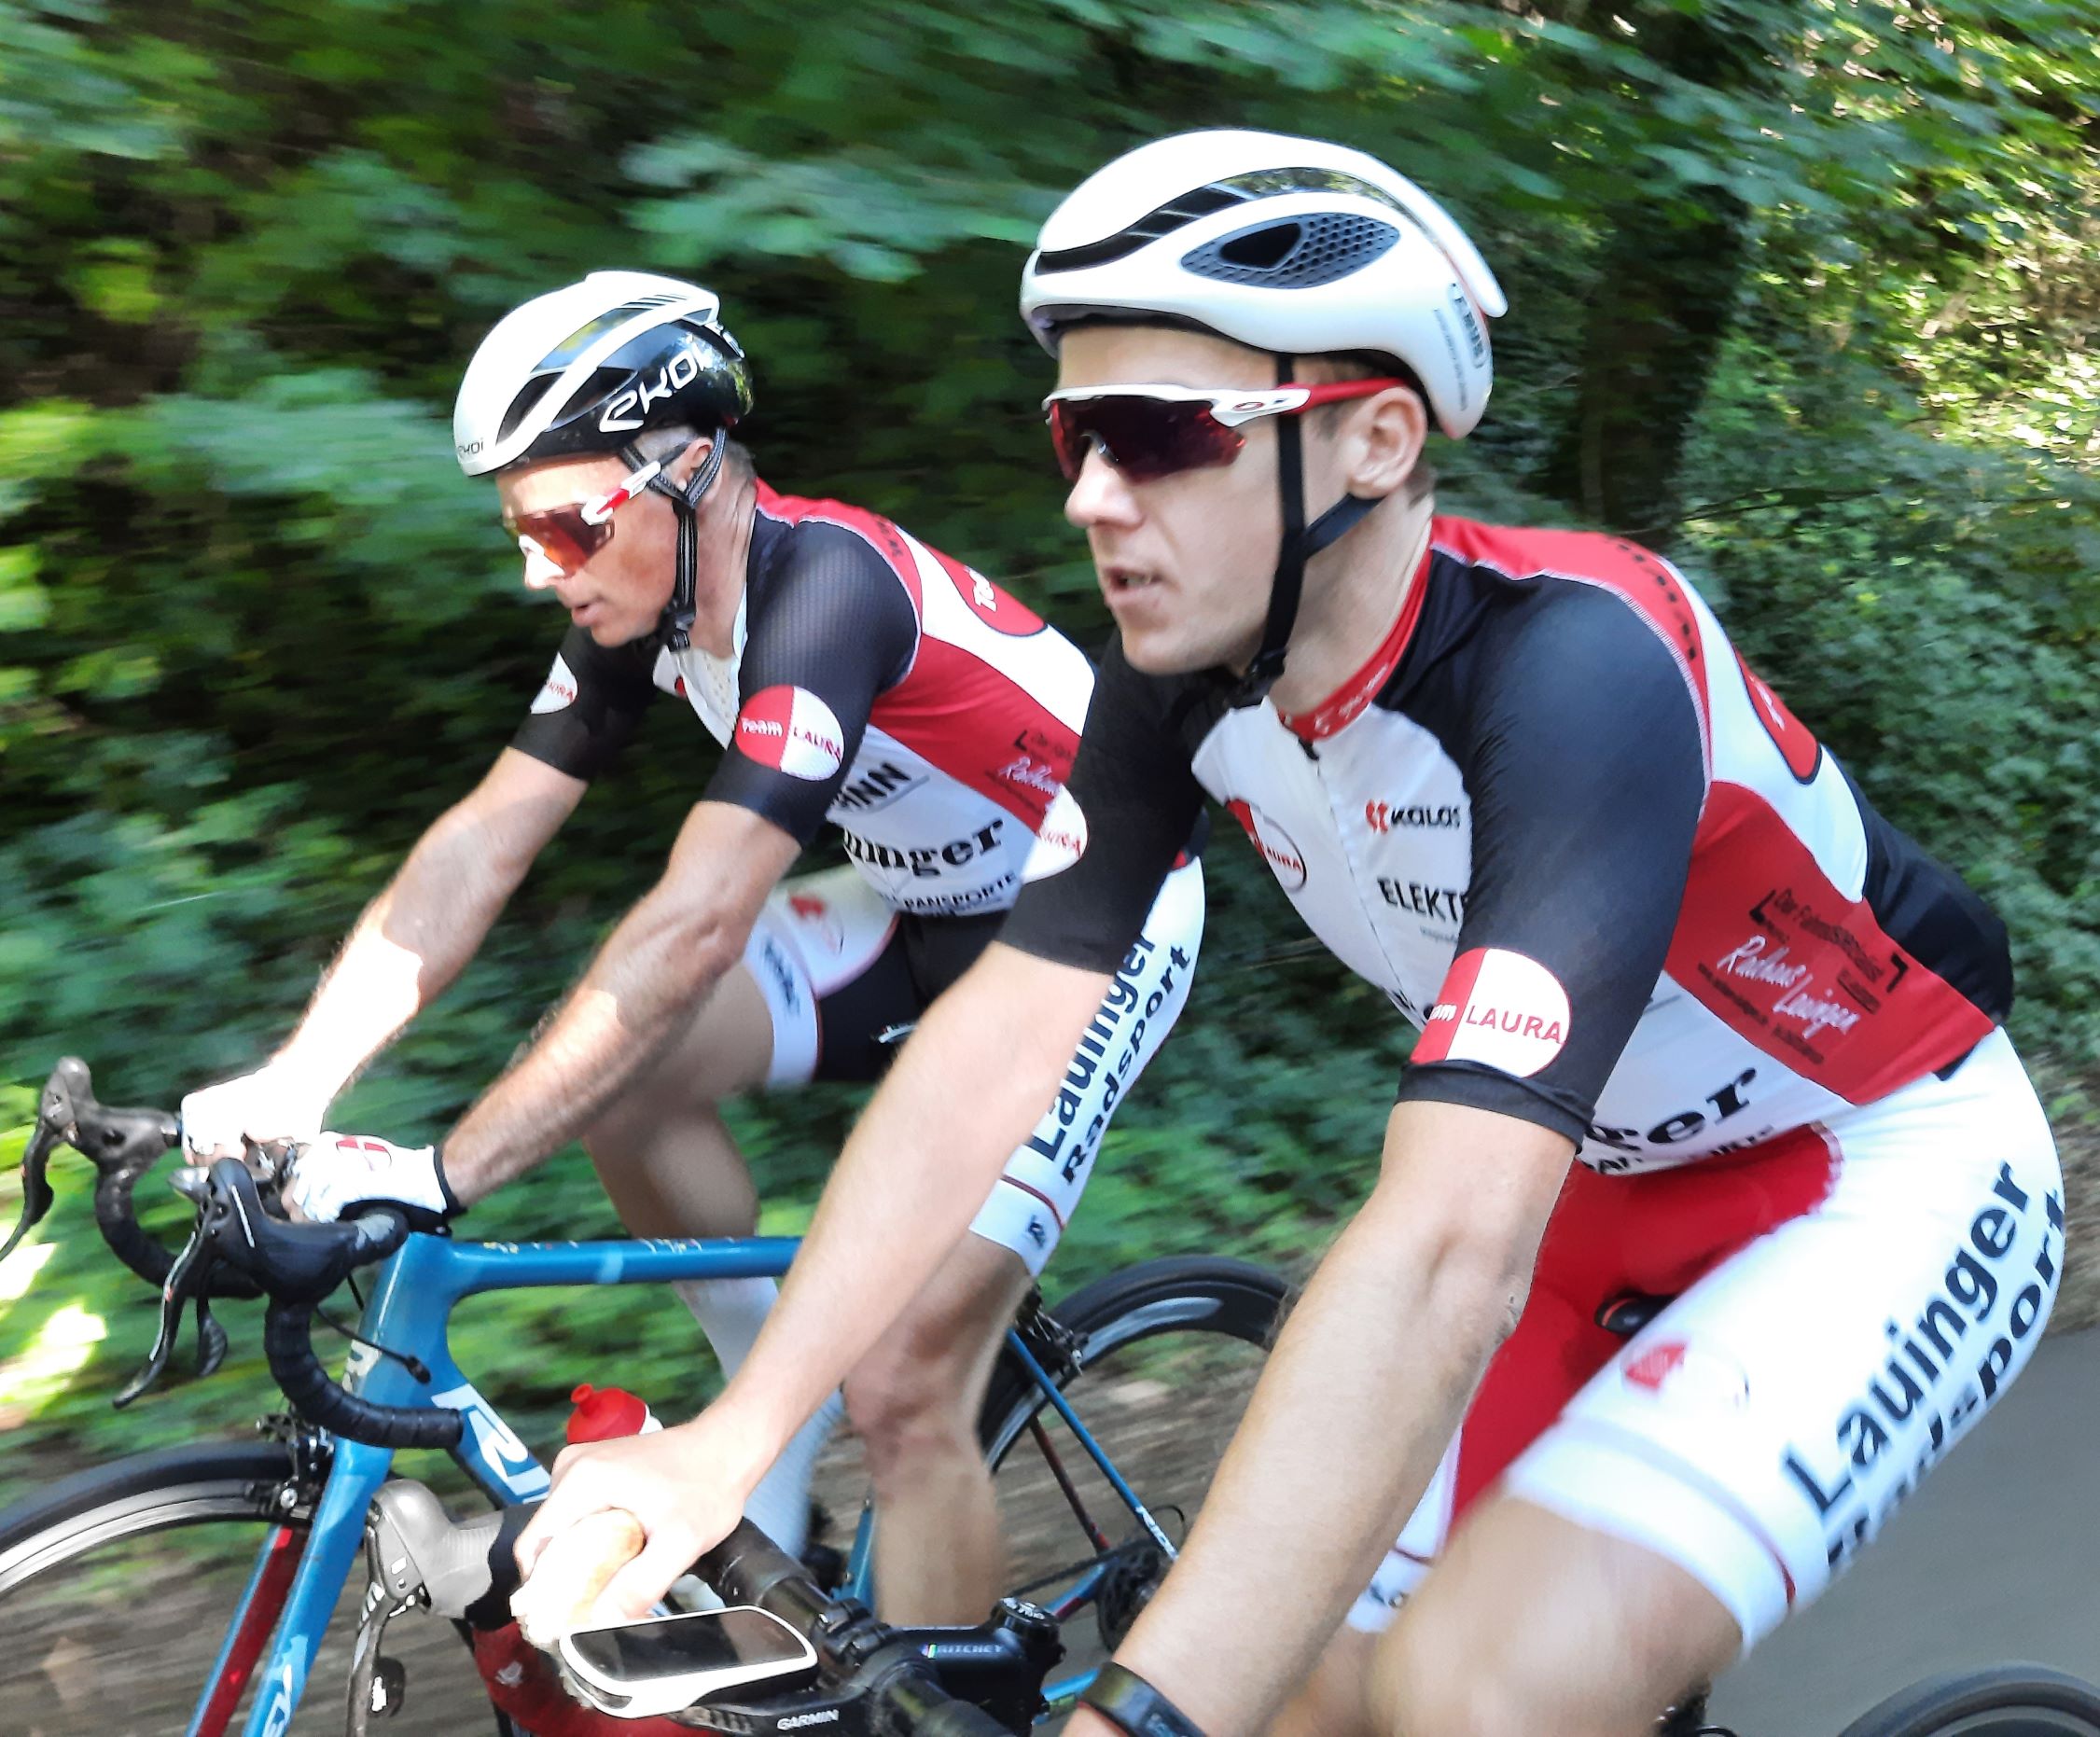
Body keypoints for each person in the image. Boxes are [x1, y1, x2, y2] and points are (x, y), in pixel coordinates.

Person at [516, 135, 2061, 1737]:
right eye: (1074, 432)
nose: (1091, 494)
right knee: (1314, 1694)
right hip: (1594, 1184)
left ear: (1379, 436)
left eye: (1160, 435)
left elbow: (1446, 1244)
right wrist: (737, 1434)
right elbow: (984, 1057)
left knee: (1472, 1694)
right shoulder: (1177, 680)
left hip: (1879, 1165)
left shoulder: (1576, 672)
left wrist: (1141, 1714)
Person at [178, 271, 1204, 1622]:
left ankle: (939, 1685)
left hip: (1101, 921)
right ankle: (765, 1446)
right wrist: (295, 1082)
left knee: (906, 1381)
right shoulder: (639, 609)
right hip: (921, 907)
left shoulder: (824, 593)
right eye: (519, 525)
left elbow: (701, 913)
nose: (538, 564)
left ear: (692, 465)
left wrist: (442, 1172)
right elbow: (482, 844)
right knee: (632, 1075)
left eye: (567, 521)